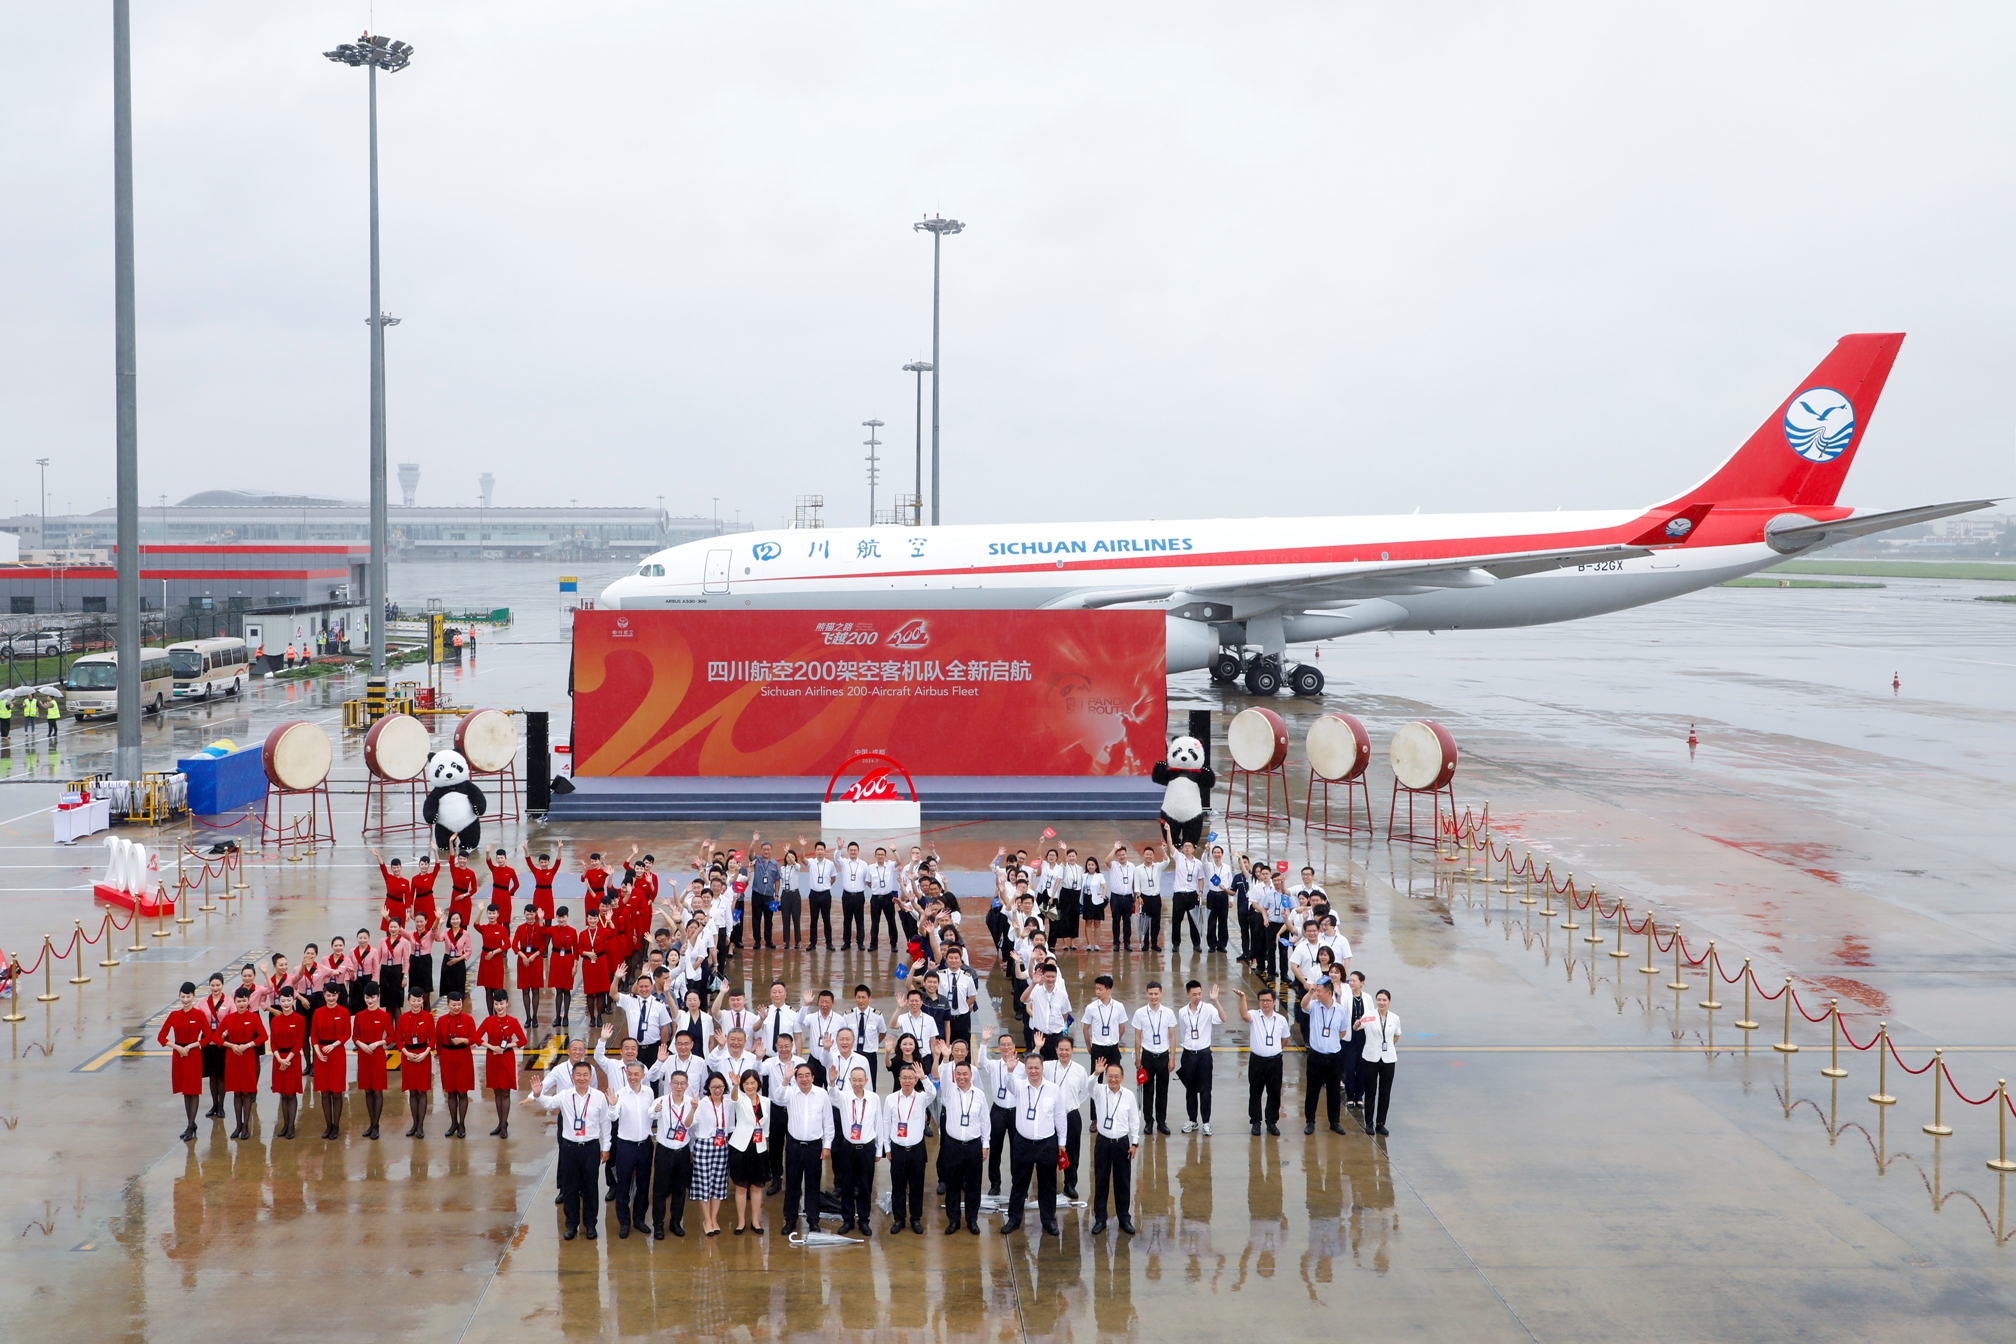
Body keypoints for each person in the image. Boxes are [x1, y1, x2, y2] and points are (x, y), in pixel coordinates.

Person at [522, 1061, 612, 1240]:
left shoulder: (599, 1097)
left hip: (591, 1148)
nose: (581, 1078)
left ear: (591, 1076)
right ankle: (571, 1225)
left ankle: (590, 1225)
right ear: (572, 1077)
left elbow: (605, 1123)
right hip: (570, 1148)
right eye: (578, 1075)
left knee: (590, 1188)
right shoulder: (564, 1095)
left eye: (585, 1075)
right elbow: (548, 1103)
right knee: (570, 1188)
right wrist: (538, 1094)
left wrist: (606, 1147)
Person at [1004, 1054, 1068, 1237]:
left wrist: (1061, 1142)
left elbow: (1060, 1117)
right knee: (1019, 1183)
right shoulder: (1019, 1086)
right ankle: (1014, 1219)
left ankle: (1048, 1220)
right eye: (1029, 1068)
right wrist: (1010, 1069)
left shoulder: (1053, 1089)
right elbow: (1008, 1082)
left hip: (1046, 1143)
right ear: (1025, 1069)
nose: (1033, 1071)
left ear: (1042, 1069)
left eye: (1036, 1068)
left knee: (1047, 1184)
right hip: (1023, 1143)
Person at [1089, 1061, 1142, 1235]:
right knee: (1101, 1181)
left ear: (1122, 1078)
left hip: (1121, 1144)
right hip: (1103, 1142)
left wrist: (1134, 1143)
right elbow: (1088, 1087)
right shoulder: (1099, 1091)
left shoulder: (1128, 1096)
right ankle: (1100, 1219)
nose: (1112, 1079)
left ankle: (1124, 1219)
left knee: (1123, 1183)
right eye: (1109, 1076)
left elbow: (1134, 1120)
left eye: (1116, 1076)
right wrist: (1096, 1074)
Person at [781, 1061, 834, 1235]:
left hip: (814, 1147)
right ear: (795, 1078)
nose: (803, 1079)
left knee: (813, 1184)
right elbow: (778, 1096)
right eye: (799, 1076)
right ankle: (790, 1220)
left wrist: (827, 1146)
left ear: (813, 1077)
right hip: (794, 1146)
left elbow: (828, 1122)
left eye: (807, 1075)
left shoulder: (822, 1094)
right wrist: (786, 1079)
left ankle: (813, 1220)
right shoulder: (790, 1092)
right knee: (792, 1184)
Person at [606, 1059, 656, 1238]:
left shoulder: (649, 1092)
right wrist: (612, 1104)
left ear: (643, 1075)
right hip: (626, 1146)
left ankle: (639, 1219)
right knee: (623, 1185)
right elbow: (612, 1117)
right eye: (630, 1074)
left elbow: (652, 1114)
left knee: (643, 1184)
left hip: (645, 1145)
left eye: (636, 1074)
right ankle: (624, 1222)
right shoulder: (620, 1094)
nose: (633, 1077)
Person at [938, 1059, 988, 1234]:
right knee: (952, 1184)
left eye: (965, 1074)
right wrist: (944, 1058)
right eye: (958, 1074)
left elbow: (984, 1121)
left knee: (973, 1185)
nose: (961, 1077)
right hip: (953, 1145)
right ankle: (954, 1220)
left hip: (974, 1145)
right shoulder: (950, 1091)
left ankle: (972, 1220)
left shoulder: (979, 1094)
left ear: (971, 1075)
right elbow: (943, 1075)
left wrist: (985, 1144)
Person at [832, 1066, 883, 1234]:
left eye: (861, 1080)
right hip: (848, 1147)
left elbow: (879, 1124)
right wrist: (832, 1082)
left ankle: (863, 1220)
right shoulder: (844, 1097)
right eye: (854, 1080)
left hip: (867, 1148)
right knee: (847, 1184)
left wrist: (878, 1150)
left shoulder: (874, 1098)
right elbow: (832, 1095)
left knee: (865, 1186)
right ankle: (848, 1220)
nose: (857, 1083)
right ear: (849, 1081)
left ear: (866, 1081)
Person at [648, 1071, 698, 1237]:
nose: (679, 1086)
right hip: (664, 1150)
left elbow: (690, 1126)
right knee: (660, 1190)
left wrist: (693, 1109)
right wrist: (656, 1110)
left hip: (682, 1151)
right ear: (670, 1084)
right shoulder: (661, 1101)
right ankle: (659, 1224)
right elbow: (651, 1115)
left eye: (682, 1083)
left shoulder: (692, 1103)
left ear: (687, 1085)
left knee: (679, 1189)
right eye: (675, 1083)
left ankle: (675, 1222)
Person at [1234, 985, 1290, 1135]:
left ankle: (1271, 1122)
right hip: (1257, 1061)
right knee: (1255, 1092)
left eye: (1268, 1001)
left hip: (1275, 1061)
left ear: (1274, 1002)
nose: (1265, 1003)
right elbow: (1244, 1014)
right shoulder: (1254, 1016)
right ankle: (1256, 1122)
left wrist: (1275, 1050)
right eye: (1262, 1001)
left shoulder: (1281, 1019)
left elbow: (1285, 1038)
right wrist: (1242, 998)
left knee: (1274, 1092)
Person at [883, 1063, 931, 1233]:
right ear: (899, 1079)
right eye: (904, 1078)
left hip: (917, 1149)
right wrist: (887, 1148)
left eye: (911, 1078)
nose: (907, 1081)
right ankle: (899, 1219)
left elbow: (933, 1093)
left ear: (915, 1079)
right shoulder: (891, 1099)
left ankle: (916, 1218)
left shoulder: (921, 1097)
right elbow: (886, 1124)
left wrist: (924, 1077)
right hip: (898, 1149)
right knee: (898, 1186)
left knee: (917, 1186)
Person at [160, 981, 211, 1141]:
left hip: (193, 1054)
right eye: (183, 997)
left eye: (188, 996)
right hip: (179, 1055)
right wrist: (176, 1047)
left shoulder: (199, 1015)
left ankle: (190, 1126)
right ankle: (191, 1123)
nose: (185, 999)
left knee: (193, 1090)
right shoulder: (174, 1015)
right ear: (179, 997)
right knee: (185, 1090)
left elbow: (208, 1037)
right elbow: (161, 1037)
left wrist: (190, 1046)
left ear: (193, 997)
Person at [1045, 1036, 1092, 1201]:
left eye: (1067, 1049)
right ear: (1056, 1050)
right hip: (1050, 1117)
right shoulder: (1048, 1066)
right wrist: (1037, 1048)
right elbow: (1030, 1069)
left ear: (1072, 1051)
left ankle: (1070, 1184)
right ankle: (1049, 1184)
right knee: (1049, 1151)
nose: (1064, 1052)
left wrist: (1074, 1103)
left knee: (1072, 1152)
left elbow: (1085, 1091)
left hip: (1071, 1115)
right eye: (1061, 1049)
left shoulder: (1079, 1070)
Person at [477, 989, 528, 1138]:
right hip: (493, 1058)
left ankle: (504, 1125)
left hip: (506, 1058)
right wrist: (492, 1047)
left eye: (502, 1004)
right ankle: (500, 1123)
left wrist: (508, 1046)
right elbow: (476, 1037)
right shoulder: (488, 1021)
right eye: (496, 1004)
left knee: (505, 1091)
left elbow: (522, 1040)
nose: (499, 1007)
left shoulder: (513, 1021)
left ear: (507, 1003)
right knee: (496, 1091)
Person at [1301, 977, 1348, 1135]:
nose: (1318, 994)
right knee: (1312, 1090)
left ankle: (1334, 1122)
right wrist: (1311, 992)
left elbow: (1343, 1031)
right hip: (1316, 1056)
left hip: (1334, 1056)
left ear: (1329, 993)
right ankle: (1310, 1121)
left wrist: (1331, 1042)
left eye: (1320, 991)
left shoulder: (1340, 1010)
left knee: (1334, 1091)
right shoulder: (1314, 1006)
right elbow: (1303, 1005)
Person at [218, 986, 266, 1140]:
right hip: (233, 1056)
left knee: (246, 1092)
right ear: (235, 1001)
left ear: (248, 1001)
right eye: (239, 1001)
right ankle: (238, 1125)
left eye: (244, 1001)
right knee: (236, 1092)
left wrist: (248, 1045)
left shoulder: (253, 1018)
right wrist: (231, 1045)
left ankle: (246, 1126)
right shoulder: (228, 1018)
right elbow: (216, 1037)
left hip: (248, 1056)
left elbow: (263, 1036)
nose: (241, 1004)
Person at [728, 1068, 771, 1234]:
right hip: (741, 1147)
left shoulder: (765, 1101)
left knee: (756, 1187)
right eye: (746, 1083)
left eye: (753, 1082)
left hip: (759, 1147)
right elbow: (733, 1099)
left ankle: (755, 1220)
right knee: (740, 1187)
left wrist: (764, 1141)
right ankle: (741, 1222)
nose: (750, 1086)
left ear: (758, 1083)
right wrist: (735, 1086)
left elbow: (766, 1126)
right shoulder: (740, 1098)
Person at [691, 1072, 734, 1235]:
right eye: (714, 1087)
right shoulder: (702, 1103)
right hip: (704, 1145)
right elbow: (689, 1124)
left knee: (719, 1183)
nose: (717, 1090)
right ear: (708, 1087)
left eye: (720, 1087)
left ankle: (714, 1218)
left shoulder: (728, 1103)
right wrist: (693, 1108)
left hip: (722, 1144)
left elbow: (730, 1127)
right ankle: (706, 1219)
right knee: (704, 1183)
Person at [1131, 982, 1176, 1135]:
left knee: (1163, 1091)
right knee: (1148, 1090)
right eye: (1151, 994)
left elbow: (1172, 1036)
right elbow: (1137, 1036)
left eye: (1156, 993)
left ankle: (1161, 1122)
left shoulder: (1168, 1013)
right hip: (1148, 1056)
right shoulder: (1140, 1013)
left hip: (1163, 1055)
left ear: (1161, 993)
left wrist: (1172, 1058)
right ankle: (1148, 1121)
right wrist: (1138, 1057)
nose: (1153, 997)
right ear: (1146, 994)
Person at [351, 981, 393, 1140]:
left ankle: (376, 1125)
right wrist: (361, 1044)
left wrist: (378, 1043)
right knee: (367, 1090)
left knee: (377, 1090)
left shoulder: (384, 1016)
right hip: (364, 1054)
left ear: (378, 997)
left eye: (373, 997)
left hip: (377, 1054)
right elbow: (354, 1036)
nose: (370, 1000)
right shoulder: (360, 1016)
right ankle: (371, 1123)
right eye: (367, 998)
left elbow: (391, 1036)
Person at [435, 988, 478, 1139]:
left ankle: (462, 1124)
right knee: (451, 1092)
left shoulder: (468, 1019)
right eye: (453, 1004)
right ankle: (453, 1122)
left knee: (462, 1092)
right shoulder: (441, 1021)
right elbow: (438, 1043)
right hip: (447, 1057)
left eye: (459, 1004)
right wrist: (440, 1059)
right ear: (447, 1005)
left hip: (463, 1056)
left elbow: (475, 1039)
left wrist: (464, 1041)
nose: (456, 1007)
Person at [311, 985, 352, 1140]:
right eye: (328, 995)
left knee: (336, 1091)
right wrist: (317, 1051)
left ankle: (336, 1125)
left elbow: (347, 1033)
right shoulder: (318, 1013)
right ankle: (328, 1125)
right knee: (324, 1092)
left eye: (334, 996)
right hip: (321, 1053)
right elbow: (313, 1034)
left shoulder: (343, 1012)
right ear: (324, 995)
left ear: (338, 996)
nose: (331, 998)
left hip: (336, 1052)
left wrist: (333, 1045)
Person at [983, 1034, 1022, 1196]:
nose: (1006, 1048)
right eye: (1003, 1045)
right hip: (998, 1111)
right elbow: (982, 1060)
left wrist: (1038, 1048)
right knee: (996, 1148)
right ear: (999, 1047)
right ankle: (995, 1183)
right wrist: (984, 1041)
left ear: (1014, 1046)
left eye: (1009, 1044)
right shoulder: (994, 1065)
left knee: (1017, 1149)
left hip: (1015, 1111)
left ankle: (1017, 1182)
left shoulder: (1022, 1067)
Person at [1358, 988, 1399, 1136]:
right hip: (1371, 1057)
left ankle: (1381, 1123)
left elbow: (1396, 1035)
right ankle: (1369, 1122)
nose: (1381, 1003)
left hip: (1388, 1058)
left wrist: (1389, 1047)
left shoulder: (1394, 1018)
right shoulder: (1369, 1016)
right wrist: (1356, 1025)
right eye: (1379, 1000)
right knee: (1370, 1091)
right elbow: (1359, 1026)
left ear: (1389, 1002)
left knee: (1385, 1092)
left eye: (1384, 1000)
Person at [395, 989, 436, 1138]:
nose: (417, 1003)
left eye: (419, 1000)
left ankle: (420, 1126)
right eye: (414, 1000)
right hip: (408, 1057)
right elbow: (398, 1039)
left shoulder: (428, 1017)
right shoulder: (403, 1018)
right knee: (412, 1091)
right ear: (409, 1001)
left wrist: (425, 1053)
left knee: (422, 1091)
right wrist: (406, 1053)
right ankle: (414, 1123)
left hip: (423, 1056)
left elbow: (432, 1038)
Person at [268, 985, 306, 1141]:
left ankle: (291, 1125)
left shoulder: (299, 1019)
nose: (286, 1003)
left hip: (292, 1059)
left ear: (292, 1000)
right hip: (279, 1059)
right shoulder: (275, 1020)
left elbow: (299, 1043)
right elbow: (273, 1043)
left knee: (291, 1093)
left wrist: (287, 1059)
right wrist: (279, 1059)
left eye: (288, 1000)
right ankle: (284, 1124)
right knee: (283, 1094)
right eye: (283, 1000)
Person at [195, 972, 230, 1121]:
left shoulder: (228, 1001)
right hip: (208, 1040)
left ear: (222, 985)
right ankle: (214, 1104)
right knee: (212, 1075)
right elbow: (196, 1017)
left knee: (221, 1075)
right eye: (212, 985)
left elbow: (233, 1019)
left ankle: (221, 1105)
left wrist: (224, 1034)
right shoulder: (202, 1002)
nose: (215, 988)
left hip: (222, 1039)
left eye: (218, 985)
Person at [1080, 974, 1129, 1080]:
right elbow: (1085, 1028)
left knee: (1114, 1078)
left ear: (1108, 990)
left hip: (1113, 1048)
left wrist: (1115, 1039)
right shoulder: (1091, 1007)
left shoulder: (1119, 1007)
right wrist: (1089, 1046)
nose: (1097, 992)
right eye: (1096, 989)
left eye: (1100, 989)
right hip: (1098, 1048)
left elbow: (1122, 1027)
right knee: (1096, 1081)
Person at [545, 907, 579, 1041]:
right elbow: (542, 931)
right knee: (558, 990)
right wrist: (542, 920)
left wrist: (575, 965)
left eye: (563, 917)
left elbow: (576, 949)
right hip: (556, 959)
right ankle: (558, 1016)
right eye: (558, 917)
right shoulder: (553, 929)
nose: (560, 920)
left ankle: (566, 1016)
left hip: (568, 960)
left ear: (567, 917)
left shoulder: (572, 931)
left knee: (566, 990)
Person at [514, 904, 548, 1036]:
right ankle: (528, 1017)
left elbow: (543, 943)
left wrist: (534, 956)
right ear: (524, 914)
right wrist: (523, 956)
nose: (529, 917)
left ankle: (535, 1016)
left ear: (535, 915)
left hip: (536, 959)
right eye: (527, 914)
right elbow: (514, 944)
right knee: (525, 989)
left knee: (535, 989)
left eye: (532, 914)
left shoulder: (539, 927)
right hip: (523, 959)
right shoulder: (520, 928)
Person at [805, 840, 837, 951]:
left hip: (825, 895)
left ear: (824, 851)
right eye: (818, 849)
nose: (819, 851)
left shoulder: (830, 864)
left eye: (821, 849)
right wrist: (803, 846)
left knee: (826, 919)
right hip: (814, 894)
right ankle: (812, 943)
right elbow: (802, 860)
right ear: (815, 851)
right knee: (813, 919)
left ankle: (829, 943)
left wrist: (826, 886)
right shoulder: (811, 862)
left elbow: (833, 878)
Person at [778, 846, 804, 949]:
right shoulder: (782, 868)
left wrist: (788, 852)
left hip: (795, 894)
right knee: (785, 918)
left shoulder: (797, 867)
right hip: (785, 894)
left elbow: (794, 863)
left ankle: (797, 940)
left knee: (796, 918)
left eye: (792, 857)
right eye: (788, 857)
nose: (789, 859)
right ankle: (787, 941)